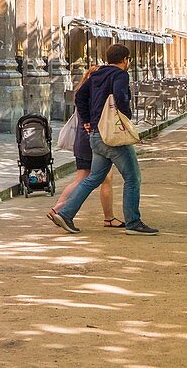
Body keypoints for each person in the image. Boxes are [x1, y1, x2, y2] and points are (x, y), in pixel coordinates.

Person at [48, 44, 157, 235]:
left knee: (93, 178)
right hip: (111, 136)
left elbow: (80, 95)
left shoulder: (96, 74)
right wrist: (126, 115)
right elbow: (121, 96)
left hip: (95, 135)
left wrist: (88, 120)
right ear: (125, 60)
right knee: (133, 177)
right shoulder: (120, 75)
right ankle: (133, 222)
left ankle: (66, 213)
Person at [52, 66, 119, 227]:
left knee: (89, 178)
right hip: (90, 141)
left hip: (81, 140)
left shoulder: (82, 92)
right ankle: (60, 210)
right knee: (97, 179)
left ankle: (57, 210)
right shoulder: (94, 95)